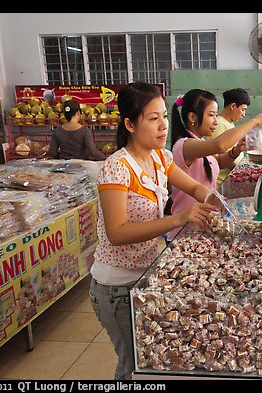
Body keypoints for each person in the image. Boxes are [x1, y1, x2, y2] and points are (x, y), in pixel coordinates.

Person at [89, 82, 220, 380]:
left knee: (150, 360)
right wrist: (179, 219)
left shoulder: (160, 158)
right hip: (116, 286)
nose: (163, 126)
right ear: (130, 124)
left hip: (146, 276)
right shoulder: (116, 168)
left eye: (164, 116)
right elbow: (117, 232)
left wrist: (212, 198)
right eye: (152, 119)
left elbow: (195, 186)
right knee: (132, 366)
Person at [167, 88, 262, 240]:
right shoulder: (185, 145)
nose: (215, 121)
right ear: (192, 117)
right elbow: (219, 145)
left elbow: (219, 161)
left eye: (216, 115)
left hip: (204, 225)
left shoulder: (200, 143)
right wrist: (254, 121)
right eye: (211, 115)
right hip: (186, 230)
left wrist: (235, 151)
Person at [207, 88, 251, 185]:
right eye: (243, 110)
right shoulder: (220, 125)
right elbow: (220, 155)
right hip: (222, 181)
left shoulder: (229, 124)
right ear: (233, 106)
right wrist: (243, 172)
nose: (244, 114)